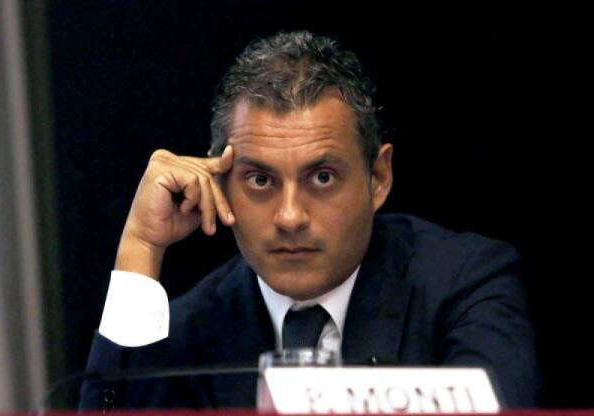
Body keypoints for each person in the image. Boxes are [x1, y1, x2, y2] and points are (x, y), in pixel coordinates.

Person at [79, 31, 539, 410]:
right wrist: (140, 247)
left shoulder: (464, 286)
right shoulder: (193, 328)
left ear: (378, 178)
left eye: (322, 177)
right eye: (260, 180)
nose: (290, 216)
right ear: (219, 183)